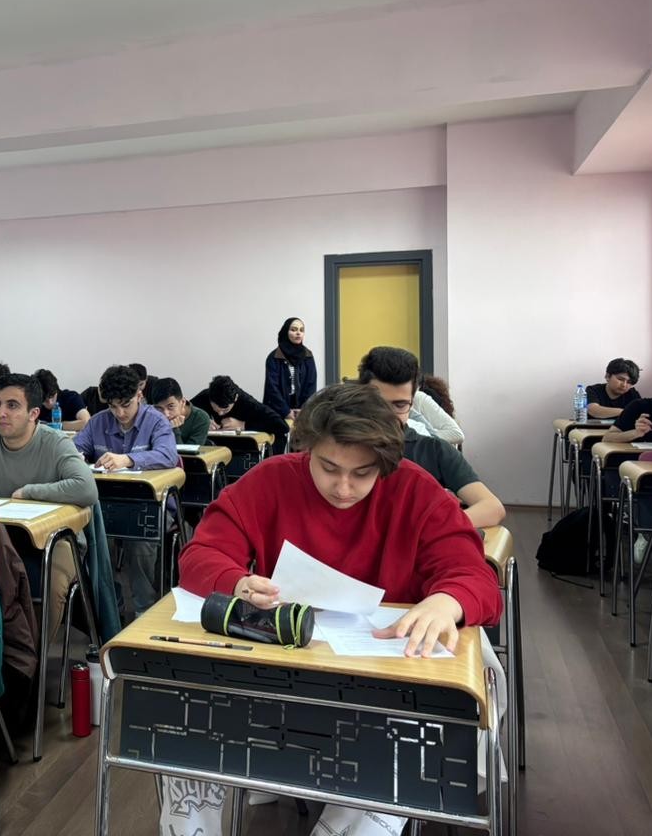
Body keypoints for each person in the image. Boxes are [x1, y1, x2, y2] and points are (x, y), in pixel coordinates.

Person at [174, 383, 502, 836]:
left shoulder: (415, 490)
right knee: (187, 717)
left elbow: (475, 576)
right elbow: (200, 554)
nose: (343, 488)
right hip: (287, 666)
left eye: (362, 474)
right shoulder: (273, 480)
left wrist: (447, 601)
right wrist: (237, 582)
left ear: (384, 464)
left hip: (389, 677)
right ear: (307, 449)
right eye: (328, 468)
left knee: (402, 745)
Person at [0, 373, 104, 638]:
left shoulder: (55, 443)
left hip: (55, 542)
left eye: (12, 405)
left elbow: (86, 488)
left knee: (49, 584)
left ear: (33, 413)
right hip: (0, 538)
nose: (1, 413)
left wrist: (30, 492)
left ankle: (31, 657)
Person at [358, 347, 505, 528]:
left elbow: (492, 508)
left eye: (400, 405)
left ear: (413, 402)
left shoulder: (435, 451)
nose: (387, 414)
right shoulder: (341, 447)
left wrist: (428, 528)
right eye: (378, 403)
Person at [76, 365, 178, 616]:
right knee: (89, 541)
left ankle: (144, 611)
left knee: (139, 544)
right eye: (113, 406)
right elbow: (75, 450)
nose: (119, 413)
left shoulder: (156, 421)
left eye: (126, 404)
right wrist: (76, 457)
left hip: (150, 506)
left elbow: (168, 455)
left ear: (139, 395)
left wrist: (128, 459)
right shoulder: (98, 422)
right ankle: (112, 608)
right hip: (106, 503)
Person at [190, 375, 290, 443]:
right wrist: (201, 421)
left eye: (225, 410)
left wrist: (243, 425)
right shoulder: (206, 395)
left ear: (236, 398)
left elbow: (282, 426)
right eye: (216, 409)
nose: (220, 413)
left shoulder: (247, 402)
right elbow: (184, 411)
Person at [263, 316, 317, 419]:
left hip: (301, 410)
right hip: (277, 410)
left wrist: (303, 409)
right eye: (293, 329)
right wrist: (286, 411)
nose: (298, 333)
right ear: (285, 332)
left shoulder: (308, 356)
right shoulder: (274, 357)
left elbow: (311, 385)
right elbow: (272, 389)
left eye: (301, 330)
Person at [150, 377, 211, 446]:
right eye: (159, 408)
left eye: (170, 406)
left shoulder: (200, 418)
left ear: (183, 402)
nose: (166, 414)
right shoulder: (152, 416)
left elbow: (188, 452)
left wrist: (174, 430)